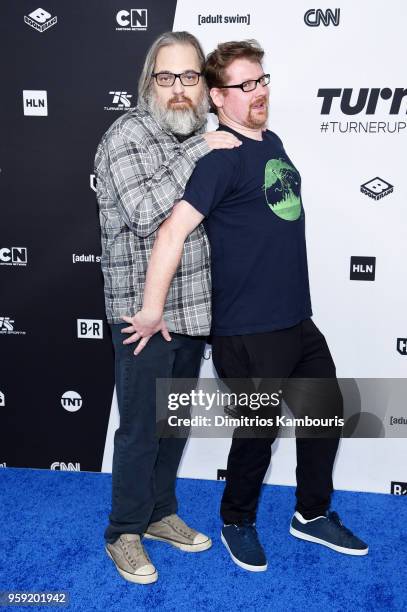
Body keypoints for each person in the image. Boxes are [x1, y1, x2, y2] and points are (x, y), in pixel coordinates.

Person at [122, 39, 369, 573]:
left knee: (324, 415)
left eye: (261, 80)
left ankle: (312, 513)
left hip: (295, 321)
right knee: (257, 435)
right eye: (244, 85)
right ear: (217, 97)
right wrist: (151, 309)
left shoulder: (272, 140)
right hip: (247, 329)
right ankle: (237, 521)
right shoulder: (218, 158)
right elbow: (170, 232)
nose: (259, 92)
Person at [94, 31, 242, 584]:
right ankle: (124, 531)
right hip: (143, 316)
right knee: (139, 429)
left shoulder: (200, 134)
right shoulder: (127, 136)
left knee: (172, 424)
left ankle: (159, 514)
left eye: (189, 77)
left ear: (203, 85)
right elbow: (145, 212)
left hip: (192, 312)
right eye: (166, 77)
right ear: (148, 84)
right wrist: (200, 150)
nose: (179, 90)